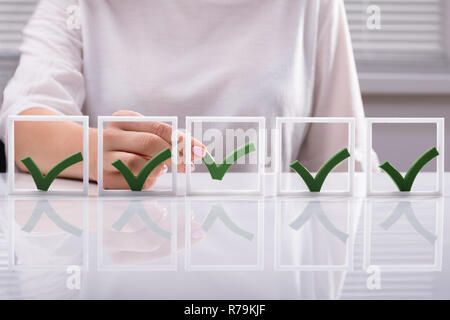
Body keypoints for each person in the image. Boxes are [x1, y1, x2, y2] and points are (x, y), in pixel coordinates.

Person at [0, 0, 373, 189]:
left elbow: (344, 163)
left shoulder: (311, 6)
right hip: (120, 265)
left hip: (267, 273)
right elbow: (26, 125)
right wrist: (97, 152)